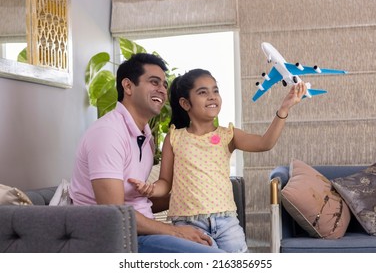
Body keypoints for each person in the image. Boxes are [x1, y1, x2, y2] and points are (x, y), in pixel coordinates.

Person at [128, 68, 307, 252]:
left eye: (215, 91)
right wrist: (151, 189)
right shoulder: (174, 137)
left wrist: (284, 108)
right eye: (203, 92)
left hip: (226, 224)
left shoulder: (228, 135)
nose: (212, 96)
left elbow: (265, 143)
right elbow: (165, 182)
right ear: (185, 103)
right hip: (188, 225)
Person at [69, 55, 225, 253]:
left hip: (141, 232)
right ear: (128, 86)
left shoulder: (145, 137)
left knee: (217, 245)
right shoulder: (108, 133)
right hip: (117, 238)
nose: (162, 89)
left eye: (164, 84)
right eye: (154, 82)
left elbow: (138, 201)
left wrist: (192, 197)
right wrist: (176, 232)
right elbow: (115, 212)